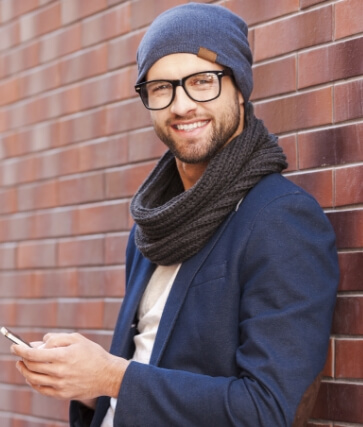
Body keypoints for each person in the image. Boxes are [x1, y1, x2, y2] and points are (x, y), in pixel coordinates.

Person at [11, 3, 339, 426]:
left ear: (239, 88)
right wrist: (87, 385)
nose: (182, 105)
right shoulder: (151, 227)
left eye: (203, 81)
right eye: (162, 87)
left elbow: (267, 410)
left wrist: (112, 376)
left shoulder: (281, 220)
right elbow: (146, 365)